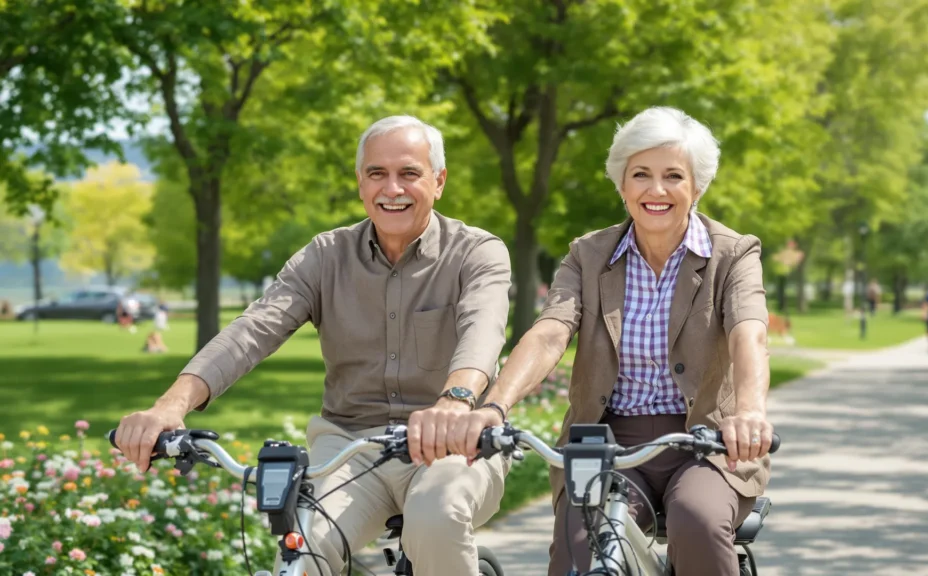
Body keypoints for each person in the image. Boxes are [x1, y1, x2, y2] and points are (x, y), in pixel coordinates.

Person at [112, 115, 512, 576]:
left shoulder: (477, 252)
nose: (392, 189)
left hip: (455, 444)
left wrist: (455, 400)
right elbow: (253, 329)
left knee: (436, 516)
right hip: (349, 449)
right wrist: (170, 405)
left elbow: (483, 328)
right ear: (360, 183)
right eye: (377, 174)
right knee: (302, 547)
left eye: (409, 173)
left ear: (438, 181)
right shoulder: (324, 256)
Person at [447, 107, 773, 576]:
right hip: (607, 443)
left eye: (673, 176)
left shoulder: (733, 253)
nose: (655, 190)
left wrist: (750, 413)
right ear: (621, 184)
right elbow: (549, 333)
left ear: (697, 187)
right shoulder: (588, 254)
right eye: (640, 174)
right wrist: (493, 407)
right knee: (582, 538)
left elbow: (749, 333)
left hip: (707, 441)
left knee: (697, 520)